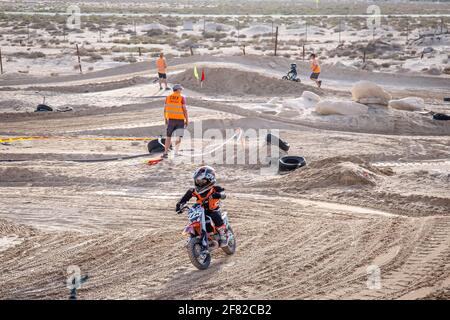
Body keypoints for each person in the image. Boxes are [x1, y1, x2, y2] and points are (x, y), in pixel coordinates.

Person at [176, 166, 228, 247]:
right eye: (198, 181)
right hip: (201, 210)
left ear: (209, 180)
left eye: (202, 181)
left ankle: (223, 234)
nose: (199, 183)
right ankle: (193, 237)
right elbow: (184, 198)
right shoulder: (193, 190)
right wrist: (180, 205)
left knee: (215, 216)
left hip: (213, 210)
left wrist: (218, 194)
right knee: (194, 219)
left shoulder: (215, 188)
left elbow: (223, 195)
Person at [162, 84, 188, 158]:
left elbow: (165, 109)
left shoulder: (168, 97)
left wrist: (165, 119)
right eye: (180, 89)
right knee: (178, 137)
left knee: (168, 136)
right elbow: (185, 110)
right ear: (178, 90)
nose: (181, 91)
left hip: (170, 120)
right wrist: (187, 120)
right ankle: (176, 153)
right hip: (180, 120)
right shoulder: (182, 98)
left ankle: (165, 153)